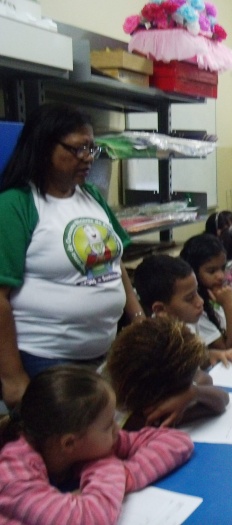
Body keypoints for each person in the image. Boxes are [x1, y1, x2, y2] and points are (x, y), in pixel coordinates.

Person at [0, 103, 145, 407]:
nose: (88, 158)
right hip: (47, 359)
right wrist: (12, 379)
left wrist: (139, 320)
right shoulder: (16, 204)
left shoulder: (90, 196)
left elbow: (115, 264)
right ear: (44, 147)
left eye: (92, 148)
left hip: (104, 350)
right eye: (79, 149)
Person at [0, 365, 193, 524]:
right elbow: (91, 518)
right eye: (108, 425)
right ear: (69, 443)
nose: (117, 429)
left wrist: (126, 475)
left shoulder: (83, 444)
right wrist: (107, 468)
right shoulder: (14, 476)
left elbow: (177, 442)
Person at [106, 317, 230, 430]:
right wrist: (194, 393)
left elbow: (206, 380)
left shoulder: (128, 376)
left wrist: (193, 392)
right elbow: (219, 401)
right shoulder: (137, 420)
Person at [133, 254, 232, 367]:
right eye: (190, 298)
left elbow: (194, 358)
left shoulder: (188, 321)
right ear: (160, 309)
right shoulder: (159, 346)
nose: (200, 301)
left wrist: (210, 355)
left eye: (197, 292)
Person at [180, 233, 232, 348]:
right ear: (193, 272)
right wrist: (229, 305)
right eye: (211, 271)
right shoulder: (196, 308)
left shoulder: (216, 293)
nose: (221, 276)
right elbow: (229, 348)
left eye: (223, 268)